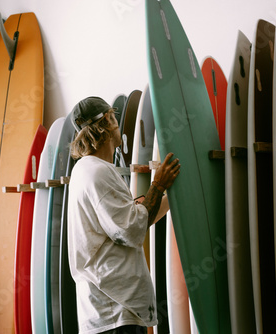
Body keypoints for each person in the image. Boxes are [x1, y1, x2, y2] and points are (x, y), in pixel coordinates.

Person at [67, 96, 181, 334]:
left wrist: (175, 198)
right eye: (112, 116)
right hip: (115, 310)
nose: (116, 120)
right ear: (107, 121)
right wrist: (157, 185)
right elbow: (132, 231)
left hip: (107, 309)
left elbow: (131, 222)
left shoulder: (85, 170)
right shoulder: (98, 173)